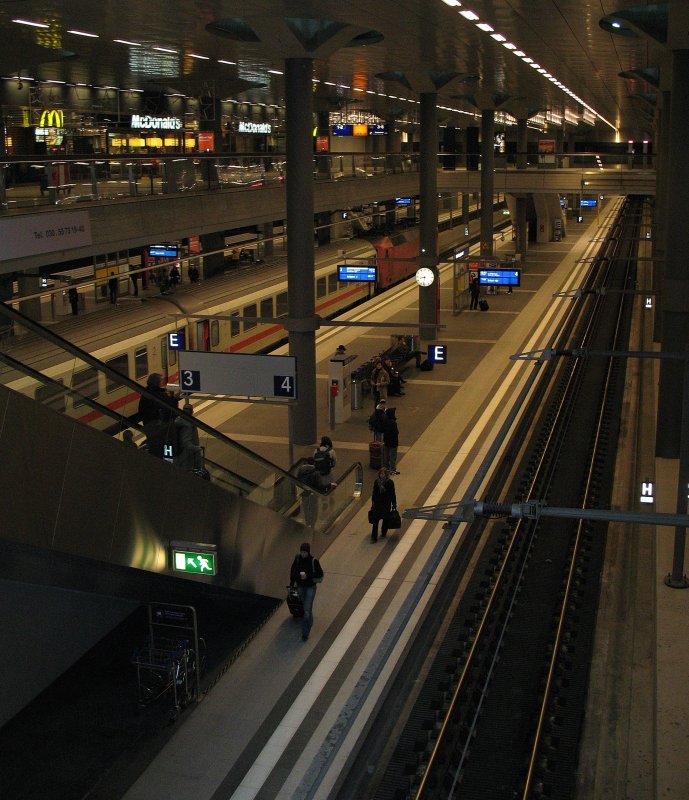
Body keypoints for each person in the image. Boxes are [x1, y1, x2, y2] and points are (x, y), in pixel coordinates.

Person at [289, 542, 324, 641]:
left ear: (308, 552)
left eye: (304, 552)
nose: (303, 554)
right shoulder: (298, 559)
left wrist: (307, 576)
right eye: (302, 552)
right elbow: (293, 571)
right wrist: (292, 583)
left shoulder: (314, 561)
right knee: (305, 608)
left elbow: (320, 573)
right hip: (300, 586)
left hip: (310, 587)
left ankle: (305, 632)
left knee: (307, 610)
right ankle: (309, 622)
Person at [370, 467, 397, 543]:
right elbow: (374, 492)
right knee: (375, 521)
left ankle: (383, 532)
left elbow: (392, 494)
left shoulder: (390, 483)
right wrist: (373, 502)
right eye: (381, 474)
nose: (382, 475)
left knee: (385, 519)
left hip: (386, 504)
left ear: (386, 475)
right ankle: (374, 537)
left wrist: (394, 504)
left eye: (383, 474)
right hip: (378, 504)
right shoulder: (376, 482)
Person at [174, 403, 203, 470]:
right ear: (192, 412)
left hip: (179, 452)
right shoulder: (188, 424)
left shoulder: (178, 420)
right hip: (186, 454)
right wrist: (198, 448)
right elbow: (186, 443)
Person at [383, 407, 400, 475]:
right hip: (393, 442)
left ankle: (385, 469)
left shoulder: (385, 421)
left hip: (386, 441)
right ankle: (392, 470)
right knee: (393, 456)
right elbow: (396, 432)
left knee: (386, 456)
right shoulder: (393, 423)